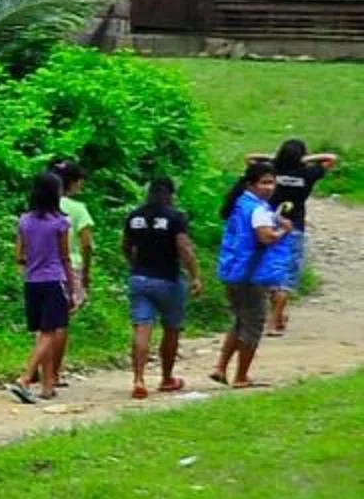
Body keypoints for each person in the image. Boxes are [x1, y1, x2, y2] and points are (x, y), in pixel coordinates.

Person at [213, 161, 293, 388]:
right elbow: (265, 237)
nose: (269, 187)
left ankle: (220, 367)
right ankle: (241, 376)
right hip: (253, 274)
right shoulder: (258, 209)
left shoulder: (240, 205)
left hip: (234, 270)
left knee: (240, 322)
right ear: (251, 184)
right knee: (254, 324)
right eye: (264, 183)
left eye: (271, 183)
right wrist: (283, 231)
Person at [120, 176, 199, 398]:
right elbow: (184, 248)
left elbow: (125, 246)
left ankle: (138, 379)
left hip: (139, 279)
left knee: (142, 327)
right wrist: (195, 276)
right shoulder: (175, 217)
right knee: (171, 329)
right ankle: (166, 378)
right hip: (169, 280)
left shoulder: (134, 216)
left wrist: (134, 264)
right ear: (171, 195)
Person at [257, 139, 341, 335]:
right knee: (286, 277)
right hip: (294, 227)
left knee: (271, 270)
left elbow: (250, 158)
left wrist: (277, 158)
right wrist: (304, 160)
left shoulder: (272, 171)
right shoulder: (308, 173)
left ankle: (277, 317)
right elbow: (331, 158)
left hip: (269, 225)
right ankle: (273, 322)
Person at [10, 173, 74, 404]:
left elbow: (19, 255)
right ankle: (26, 378)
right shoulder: (60, 222)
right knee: (50, 333)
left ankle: (48, 385)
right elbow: (65, 257)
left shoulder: (24, 221)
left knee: (43, 332)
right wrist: (72, 286)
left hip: (32, 281)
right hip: (54, 280)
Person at [50, 159, 98, 326]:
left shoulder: (39, 207)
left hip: (43, 268)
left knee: (48, 319)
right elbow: (87, 244)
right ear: (72, 183)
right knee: (62, 320)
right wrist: (87, 273)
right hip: (71, 267)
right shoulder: (78, 209)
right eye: (79, 182)